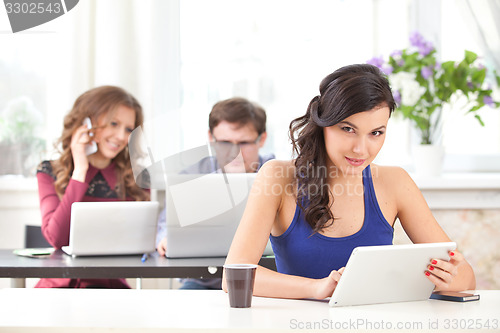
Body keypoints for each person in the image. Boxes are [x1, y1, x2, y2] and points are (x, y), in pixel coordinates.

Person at [223, 64, 476, 299]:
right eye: (348, 129)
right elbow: (233, 277)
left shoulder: (395, 182)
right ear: (323, 124)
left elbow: (466, 277)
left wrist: (452, 277)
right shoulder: (277, 176)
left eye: (376, 133)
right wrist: (318, 288)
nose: (361, 149)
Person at [36, 85, 149, 288]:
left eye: (128, 129)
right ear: (86, 123)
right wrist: (80, 170)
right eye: (113, 123)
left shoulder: (136, 179)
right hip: (58, 288)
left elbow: (138, 243)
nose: (122, 136)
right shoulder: (49, 172)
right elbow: (56, 238)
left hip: (110, 289)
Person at [156, 97, 274, 289]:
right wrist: (165, 238)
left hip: (262, 280)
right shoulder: (192, 176)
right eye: (225, 143)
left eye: (243, 143)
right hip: (202, 280)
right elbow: (166, 223)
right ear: (211, 139)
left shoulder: (279, 174)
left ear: (262, 139)